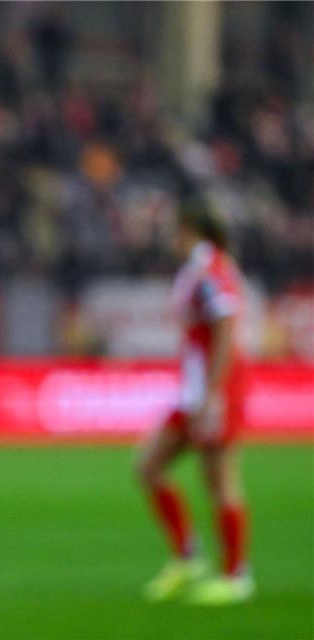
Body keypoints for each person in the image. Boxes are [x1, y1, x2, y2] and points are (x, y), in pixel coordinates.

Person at [135, 202, 253, 605]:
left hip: (212, 391)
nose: (172, 240)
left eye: (176, 231)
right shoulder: (200, 270)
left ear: (189, 231)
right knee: (148, 466)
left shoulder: (211, 272)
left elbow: (226, 333)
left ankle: (236, 576)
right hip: (194, 391)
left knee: (220, 480)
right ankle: (188, 557)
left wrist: (214, 393)